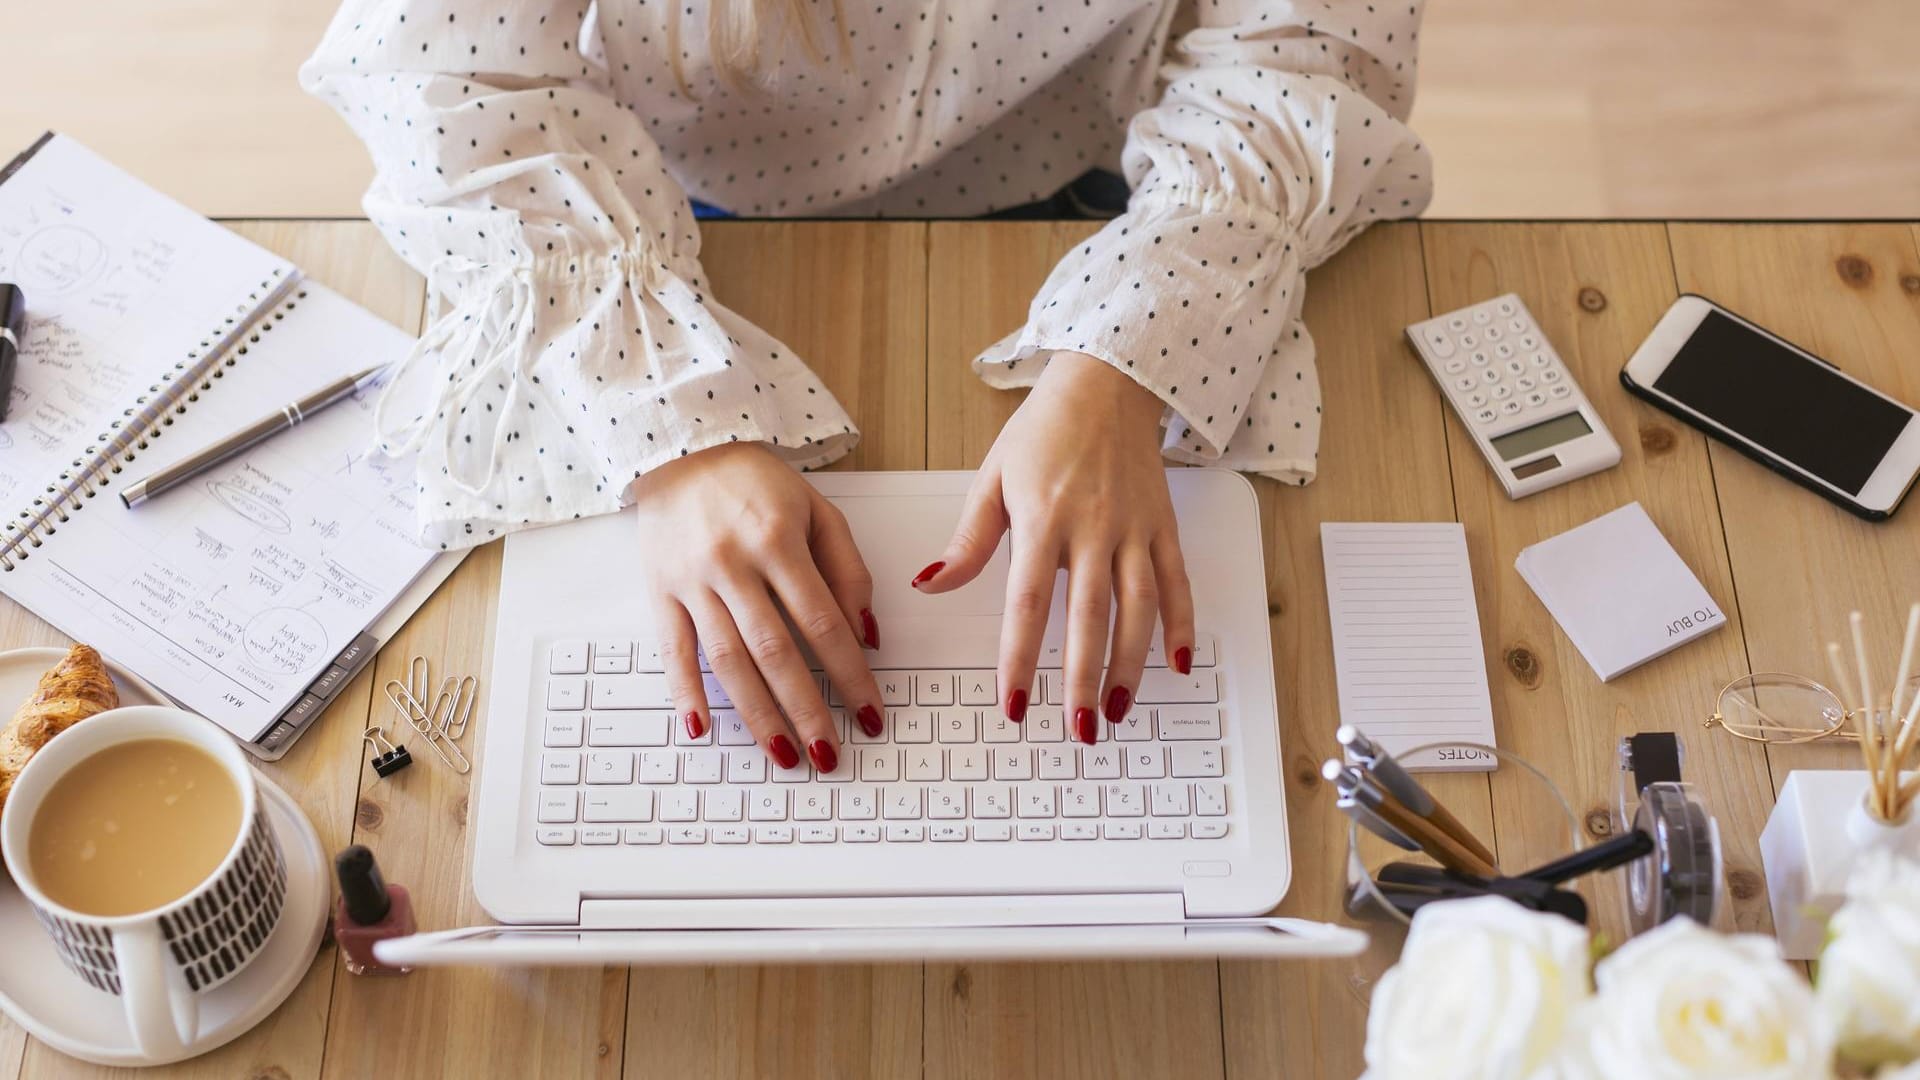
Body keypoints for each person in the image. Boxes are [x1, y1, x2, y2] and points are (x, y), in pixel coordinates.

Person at [301, 0, 1431, 770]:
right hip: (668, 222)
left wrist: (1125, 366)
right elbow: (435, 77)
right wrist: (679, 437)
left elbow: (1305, 52)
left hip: (1127, 194)